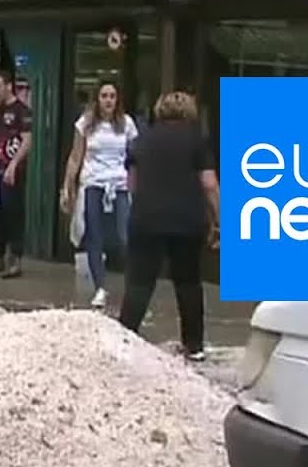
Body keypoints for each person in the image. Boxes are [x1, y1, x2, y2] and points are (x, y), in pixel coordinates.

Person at [119, 92, 221, 362]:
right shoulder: (197, 141)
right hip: (186, 220)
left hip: (146, 217)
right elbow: (209, 184)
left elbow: (132, 182)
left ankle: (125, 337)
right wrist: (218, 221)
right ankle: (194, 344)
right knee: (188, 283)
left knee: (139, 282)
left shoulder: (142, 139)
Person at [60, 80, 139, 309]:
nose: (108, 101)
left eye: (112, 96)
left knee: (125, 236)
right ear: (97, 99)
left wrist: (134, 186)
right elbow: (76, 156)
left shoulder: (127, 124)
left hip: (118, 184)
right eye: (104, 96)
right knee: (94, 235)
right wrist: (68, 186)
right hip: (93, 183)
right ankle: (100, 287)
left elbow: (134, 159)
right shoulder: (85, 124)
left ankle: (132, 284)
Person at [0, 70, 34, 278]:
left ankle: (15, 257)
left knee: (13, 212)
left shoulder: (21, 111)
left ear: (8, 86)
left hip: (11, 169)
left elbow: (27, 140)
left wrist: (14, 165)